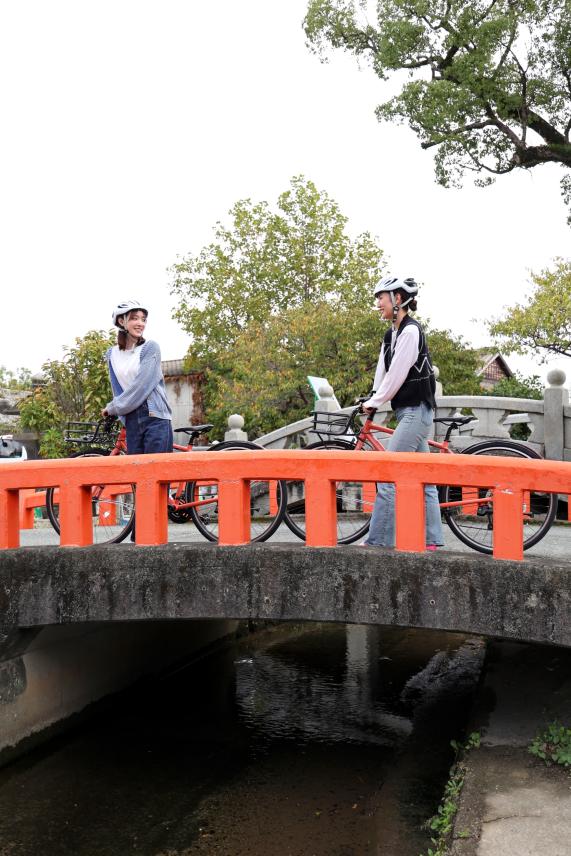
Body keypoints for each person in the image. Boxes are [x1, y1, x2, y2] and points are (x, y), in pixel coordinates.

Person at [361, 276, 443, 549]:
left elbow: (397, 374)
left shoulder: (410, 331)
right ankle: (433, 541)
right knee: (425, 480)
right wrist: (374, 396)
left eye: (381, 298)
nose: (378, 304)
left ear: (397, 299)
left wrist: (378, 401)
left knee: (387, 473)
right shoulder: (391, 334)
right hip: (407, 412)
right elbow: (382, 371)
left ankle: (379, 542)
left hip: (416, 411)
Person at [102, 300, 173, 454]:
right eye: (135, 318)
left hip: (155, 417)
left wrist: (113, 407)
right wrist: (120, 413)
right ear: (122, 321)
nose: (140, 323)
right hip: (131, 419)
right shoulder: (111, 354)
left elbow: (142, 387)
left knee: (157, 473)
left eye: (143, 319)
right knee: (137, 474)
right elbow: (118, 389)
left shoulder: (150, 348)